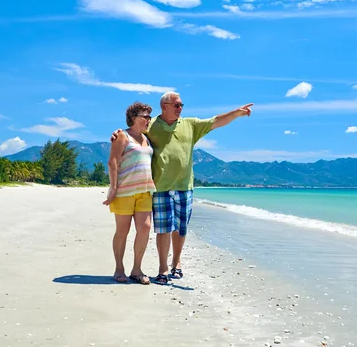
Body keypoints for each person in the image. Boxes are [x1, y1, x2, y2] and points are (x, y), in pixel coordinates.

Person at [112, 91, 252, 285]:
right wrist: (118, 133)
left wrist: (235, 113)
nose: (180, 108)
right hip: (160, 185)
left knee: (181, 229)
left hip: (185, 186)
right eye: (176, 105)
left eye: (181, 105)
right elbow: (132, 133)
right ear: (164, 106)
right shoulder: (150, 125)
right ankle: (162, 269)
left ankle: (176, 263)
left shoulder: (190, 124)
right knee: (163, 229)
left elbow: (215, 121)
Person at [103, 102, 156, 285]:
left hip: (145, 191)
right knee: (122, 231)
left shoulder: (147, 138)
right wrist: (113, 188)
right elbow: (113, 162)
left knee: (145, 228)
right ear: (134, 117)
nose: (148, 120)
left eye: (150, 117)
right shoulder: (122, 136)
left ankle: (137, 269)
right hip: (125, 191)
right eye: (145, 116)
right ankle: (119, 268)